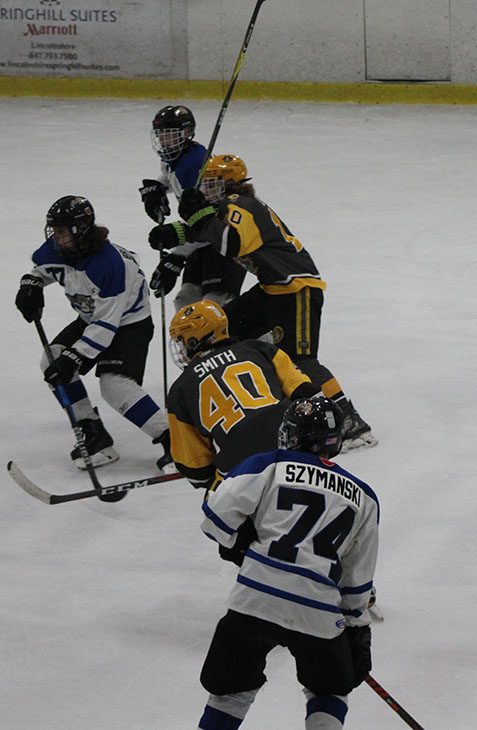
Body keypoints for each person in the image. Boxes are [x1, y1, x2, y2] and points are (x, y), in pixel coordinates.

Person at [147, 153, 377, 451]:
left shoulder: (242, 204)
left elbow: (231, 242)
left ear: (230, 184)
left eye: (212, 184)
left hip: (297, 287)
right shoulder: (227, 208)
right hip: (273, 289)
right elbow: (206, 232)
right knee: (224, 328)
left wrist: (197, 215)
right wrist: (174, 232)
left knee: (302, 360)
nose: (206, 191)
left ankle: (350, 423)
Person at [197, 396, 379, 730]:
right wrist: (357, 630)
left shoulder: (269, 464)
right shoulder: (364, 497)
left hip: (254, 600)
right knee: (330, 691)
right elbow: (357, 579)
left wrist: (239, 544)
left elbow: (215, 519)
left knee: (230, 692)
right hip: (318, 610)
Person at [14, 195, 171, 501]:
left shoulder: (108, 265)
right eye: (54, 229)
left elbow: (106, 324)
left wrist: (76, 357)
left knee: (115, 386)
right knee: (51, 362)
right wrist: (30, 284)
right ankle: (94, 434)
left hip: (129, 323)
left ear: (81, 229)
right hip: (92, 316)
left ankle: (173, 439)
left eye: (62, 230)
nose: (55, 236)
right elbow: (42, 269)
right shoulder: (58, 249)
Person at [166, 299, 320, 491]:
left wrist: (216, 476)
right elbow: (306, 393)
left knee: (220, 516)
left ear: (194, 339)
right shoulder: (259, 349)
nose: (181, 348)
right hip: (289, 436)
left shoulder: (179, 390)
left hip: (240, 457)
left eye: (181, 339)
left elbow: (196, 469)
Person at [139, 104, 246, 309]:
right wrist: (158, 188)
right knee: (186, 303)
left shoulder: (194, 166)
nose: (164, 141)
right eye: (161, 135)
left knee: (216, 306)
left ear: (187, 133)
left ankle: (261, 341)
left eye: (170, 135)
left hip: (221, 243)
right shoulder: (176, 159)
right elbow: (170, 177)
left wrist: (178, 256)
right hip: (200, 241)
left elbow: (210, 222)